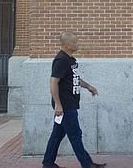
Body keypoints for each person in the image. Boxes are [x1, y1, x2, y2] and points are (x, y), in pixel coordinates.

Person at [42, 31, 106, 168]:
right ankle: (87, 164)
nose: (77, 44)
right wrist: (58, 105)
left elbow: (74, 79)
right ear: (68, 44)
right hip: (65, 105)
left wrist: (88, 86)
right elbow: (53, 82)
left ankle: (48, 163)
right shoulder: (61, 60)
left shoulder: (70, 60)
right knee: (75, 135)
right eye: (75, 42)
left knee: (57, 135)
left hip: (69, 103)